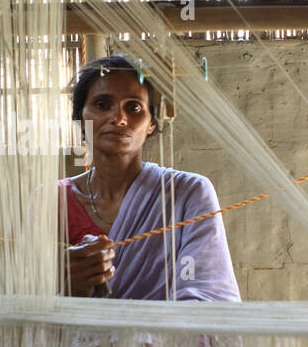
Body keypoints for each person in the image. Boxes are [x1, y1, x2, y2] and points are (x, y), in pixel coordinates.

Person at [59, 54, 240, 301]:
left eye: (134, 108)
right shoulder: (52, 200)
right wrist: (71, 288)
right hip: (72, 340)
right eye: (102, 105)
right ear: (81, 120)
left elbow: (207, 295)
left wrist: (140, 337)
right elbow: (28, 304)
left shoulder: (188, 194)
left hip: (163, 341)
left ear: (152, 123)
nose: (119, 118)